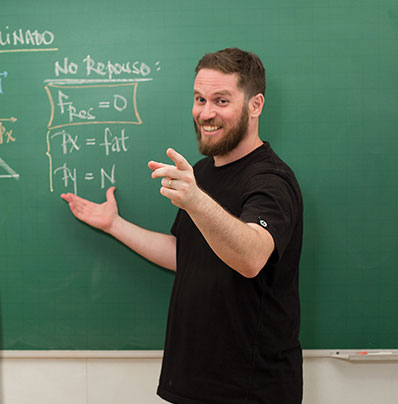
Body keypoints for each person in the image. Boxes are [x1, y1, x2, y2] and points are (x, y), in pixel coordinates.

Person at [61, 48, 303, 404]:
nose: (206, 113)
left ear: (256, 105)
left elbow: (252, 257)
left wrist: (196, 200)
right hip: (193, 382)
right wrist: (115, 225)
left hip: (250, 391)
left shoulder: (270, 179)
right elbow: (186, 254)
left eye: (221, 100)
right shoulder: (201, 173)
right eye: (199, 99)